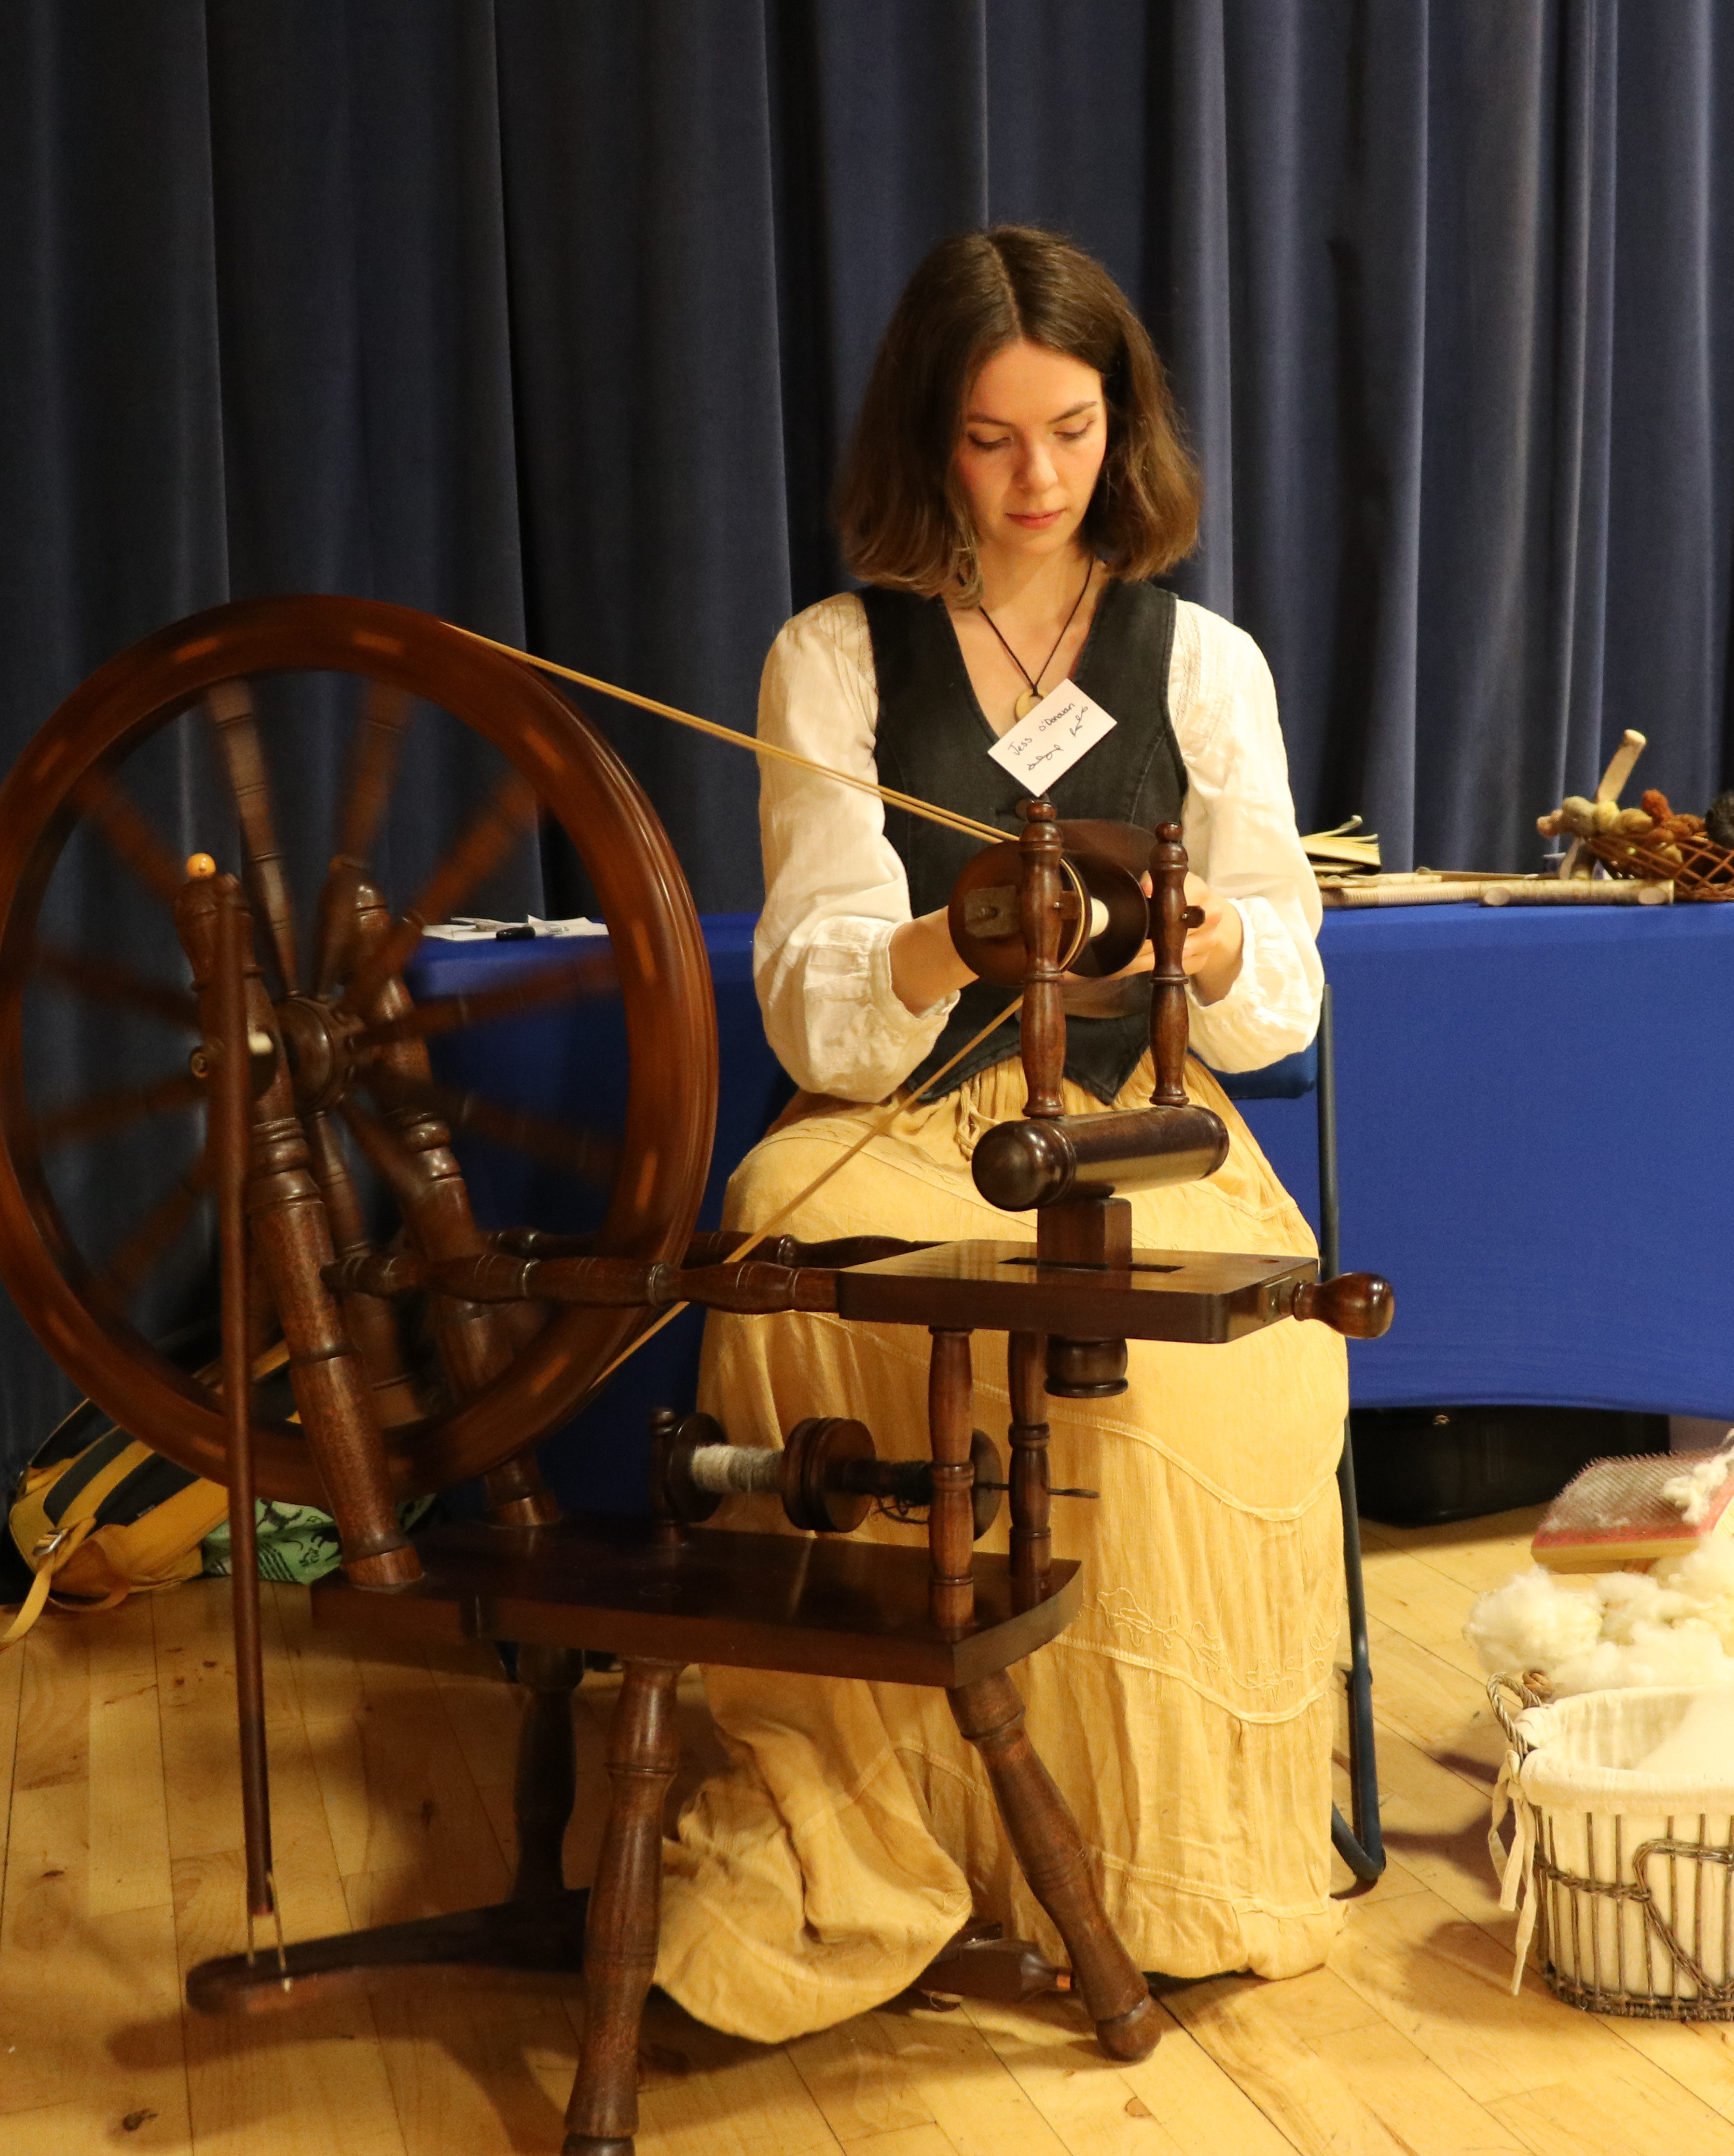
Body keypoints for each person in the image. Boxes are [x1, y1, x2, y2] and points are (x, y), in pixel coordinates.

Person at [650, 226, 1346, 2042]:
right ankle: (901, 1843)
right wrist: (953, 937)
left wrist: (1206, 943)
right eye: (991, 439)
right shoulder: (836, 659)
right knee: (792, 1245)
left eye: (1073, 430)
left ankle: (1153, 1867)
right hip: (908, 1126)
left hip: (1138, 1134)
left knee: (1201, 1377)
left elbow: (1285, 995)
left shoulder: (1203, 665)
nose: (1040, 482)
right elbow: (812, 997)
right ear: (927, 441)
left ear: (1125, 428)